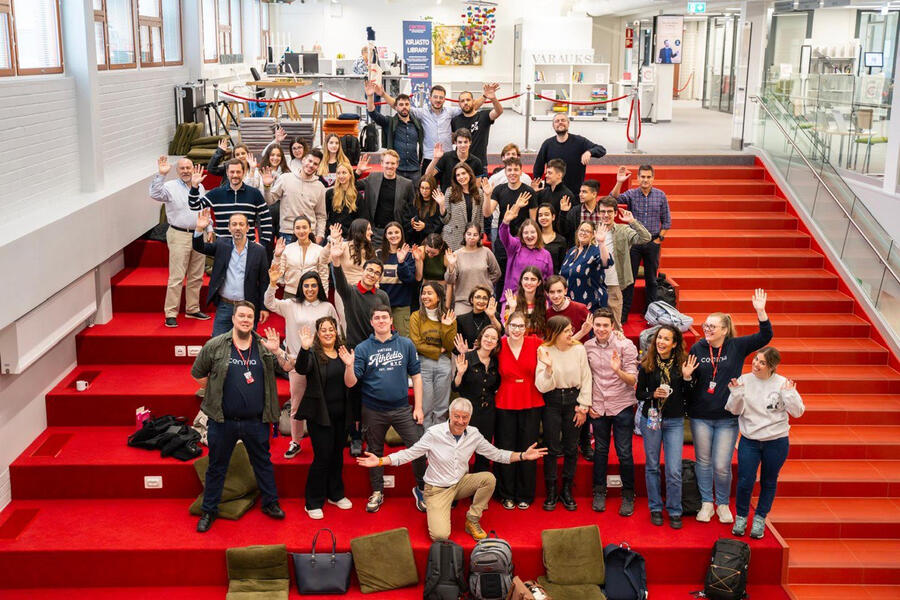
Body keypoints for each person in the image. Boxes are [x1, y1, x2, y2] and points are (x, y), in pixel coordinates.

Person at [357, 397, 547, 540]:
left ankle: (472, 520)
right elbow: (410, 453)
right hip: (437, 489)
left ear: (470, 418)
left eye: (465, 418)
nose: (460, 421)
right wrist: (380, 461)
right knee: (440, 536)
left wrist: (523, 455)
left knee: (488, 479)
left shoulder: (473, 434)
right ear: (450, 415)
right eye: (457, 416)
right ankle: (423, 495)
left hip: (459, 484)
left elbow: (496, 454)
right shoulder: (434, 434)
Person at [191, 303, 293, 532]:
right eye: (242, 316)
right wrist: (215, 391)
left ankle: (270, 503)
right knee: (217, 467)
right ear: (234, 319)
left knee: (263, 463)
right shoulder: (216, 345)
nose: (246, 320)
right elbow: (197, 373)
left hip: (256, 421)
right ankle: (209, 510)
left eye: (250, 316)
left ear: (254, 320)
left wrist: (277, 351)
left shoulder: (264, 346)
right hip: (223, 420)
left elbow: (289, 367)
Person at [689, 289, 773, 524]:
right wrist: (686, 378)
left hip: (727, 418)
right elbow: (691, 380)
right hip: (700, 416)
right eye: (705, 326)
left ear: (725, 330)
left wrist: (760, 311)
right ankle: (707, 503)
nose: (707, 330)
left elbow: (765, 336)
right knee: (703, 462)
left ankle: (723, 503)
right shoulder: (697, 348)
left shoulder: (736, 346)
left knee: (721, 465)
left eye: (712, 327)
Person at [353, 305, 427, 513]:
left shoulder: (405, 344)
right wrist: (349, 366)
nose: (381, 321)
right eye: (377, 318)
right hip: (373, 410)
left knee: (419, 448)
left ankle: (421, 488)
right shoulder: (362, 348)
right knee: (374, 451)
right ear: (371, 322)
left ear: (391, 320)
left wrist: (418, 406)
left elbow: (417, 377)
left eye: (385, 317)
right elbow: (353, 381)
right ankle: (377, 491)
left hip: (402, 408)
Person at [726, 347, 804, 539]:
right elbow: (734, 410)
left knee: (769, 480)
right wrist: (736, 394)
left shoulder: (782, 383)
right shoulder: (744, 380)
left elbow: (798, 411)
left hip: (776, 441)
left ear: (772, 366)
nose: (756, 365)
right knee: (745, 480)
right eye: (755, 360)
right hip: (750, 440)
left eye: (762, 363)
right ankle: (742, 517)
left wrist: (789, 395)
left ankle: (760, 518)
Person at [265, 267, 338, 459]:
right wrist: (273, 283)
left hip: (323, 362)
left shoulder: (327, 307)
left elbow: (336, 332)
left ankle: (325, 440)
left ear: (319, 287)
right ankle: (295, 441)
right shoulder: (291, 304)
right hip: (297, 362)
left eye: (314, 285)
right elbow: (269, 302)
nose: (310, 289)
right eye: (306, 285)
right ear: (301, 287)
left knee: (324, 402)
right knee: (296, 404)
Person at [636, 325, 698, 529]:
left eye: (666, 339)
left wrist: (688, 377)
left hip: (674, 421)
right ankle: (655, 508)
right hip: (652, 419)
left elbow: (690, 396)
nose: (661, 342)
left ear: (674, 343)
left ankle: (674, 510)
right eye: (659, 338)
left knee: (673, 469)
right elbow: (639, 394)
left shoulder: (682, 364)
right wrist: (652, 394)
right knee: (652, 465)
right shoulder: (647, 363)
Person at [295, 317, 358, 519]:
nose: (328, 333)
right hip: (320, 415)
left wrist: (349, 365)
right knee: (322, 457)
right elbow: (301, 369)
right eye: (324, 330)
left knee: (337, 455)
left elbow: (351, 384)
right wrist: (304, 349)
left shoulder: (343, 353)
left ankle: (335, 494)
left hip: (342, 414)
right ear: (318, 334)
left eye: (331, 329)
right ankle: (312, 501)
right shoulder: (312, 353)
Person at [584, 307, 638, 516]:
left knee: (624, 453)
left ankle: (628, 494)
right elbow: (585, 378)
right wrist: (588, 404)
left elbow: (633, 380)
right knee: (600, 452)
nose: (601, 329)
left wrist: (617, 370)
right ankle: (599, 492)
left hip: (622, 405)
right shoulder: (587, 347)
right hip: (598, 406)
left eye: (605, 325)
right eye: (597, 325)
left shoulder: (626, 345)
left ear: (613, 326)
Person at [565, 193, 650, 324]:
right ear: (598, 213)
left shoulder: (624, 230)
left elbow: (646, 238)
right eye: (603, 211)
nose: (606, 215)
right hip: (591, 284)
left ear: (615, 213)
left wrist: (632, 221)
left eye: (609, 211)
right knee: (592, 324)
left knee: (615, 324)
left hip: (613, 283)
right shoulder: (592, 231)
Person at [535, 316, 592, 511]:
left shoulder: (579, 349)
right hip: (551, 401)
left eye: (571, 329)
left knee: (571, 447)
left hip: (573, 401)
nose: (571, 333)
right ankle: (551, 490)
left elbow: (586, 378)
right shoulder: (544, 350)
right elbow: (541, 386)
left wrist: (584, 406)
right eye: (567, 330)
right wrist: (549, 368)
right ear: (556, 333)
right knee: (551, 447)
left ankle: (567, 489)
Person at [150, 156, 210, 328]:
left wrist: (210, 229)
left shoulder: (201, 186)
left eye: (188, 168)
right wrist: (161, 175)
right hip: (179, 234)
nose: (185, 171)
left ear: (193, 168)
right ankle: (170, 313)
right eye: (182, 168)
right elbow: (154, 193)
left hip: (199, 234)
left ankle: (192, 308)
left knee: (197, 275)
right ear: (177, 170)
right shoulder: (169, 187)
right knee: (176, 277)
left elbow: (204, 210)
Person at [494, 311, 544, 510]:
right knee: (506, 448)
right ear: (507, 326)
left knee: (527, 449)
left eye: (520, 326)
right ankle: (506, 494)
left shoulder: (536, 344)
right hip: (505, 402)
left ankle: (525, 494)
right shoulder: (499, 345)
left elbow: (561, 345)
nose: (516, 330)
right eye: (513, 325)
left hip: (531, 401)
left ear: (526, 327)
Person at [193, 210, 269, 336]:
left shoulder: (258, 251)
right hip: (225, 305)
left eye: (241, 224)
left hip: (248, 306)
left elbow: (264, 282)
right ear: (229, 228)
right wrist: (199, 228)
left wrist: (264, 307)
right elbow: (199, 247)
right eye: (234, 224)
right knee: (217, 345)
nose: (237, 228)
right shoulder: (222, 245)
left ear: (248, 227)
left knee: (247, 345)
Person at [375, 82, 485, 170]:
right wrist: (383, 94)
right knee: (427, 188)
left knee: (447, 188)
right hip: (428, 157)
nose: (438, 100)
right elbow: (398, 106)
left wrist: (485, 96)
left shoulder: (450, 111)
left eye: (441, 97)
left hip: (447, 157)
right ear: (430, 97)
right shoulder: (422, 113)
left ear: (444, 99)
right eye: (435, 97)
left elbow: (470, 106)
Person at [611, 165, 671, 322]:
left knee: (651, 280)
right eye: (642, 177)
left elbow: (667, 221)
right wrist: (619, 182)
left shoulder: (660, 196)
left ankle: (651, 314)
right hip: (634, 243)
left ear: (653, 178)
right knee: (629, 280)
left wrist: (659, 240)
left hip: (652, 242)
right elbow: (613, 198)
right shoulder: (631, 194)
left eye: (648, 177)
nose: (645, 180)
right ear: (638, 178)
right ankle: (623, 315)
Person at [453, 326, 502, 473]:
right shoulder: (467, 357)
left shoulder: (495, 362)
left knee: (484, 453)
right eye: (487, 336)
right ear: (480, 338)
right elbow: (455, 387)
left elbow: (496, 386)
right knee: (462, 452)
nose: (489, 340)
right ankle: (458, 489)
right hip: (468, 413)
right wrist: (460, 374)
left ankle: (480, 490)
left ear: (497, 343)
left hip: (488, 412)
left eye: (493, 338)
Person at [188, 160, 273, 245]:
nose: (235, 175)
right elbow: (194, 205)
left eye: (238, 172)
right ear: (227, 173)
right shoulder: (216, 193)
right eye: (232, 172)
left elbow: (266, 218)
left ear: (243, 173)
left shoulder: (254, 193)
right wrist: (195, 186)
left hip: (248, 248)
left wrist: (263, 243)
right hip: (223, 248)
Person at [329, 232, 391, 348]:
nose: (372, 275)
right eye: (370, 270)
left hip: (378, 347)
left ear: (379, 278)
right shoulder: (350, 292)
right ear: (363, 271)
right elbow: (340, 281)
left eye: (377, 273)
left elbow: (388, 323)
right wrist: (336, 260)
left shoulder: (382, 296)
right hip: (355, 348)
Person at [410, 282, 457, 427]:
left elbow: (449, 346)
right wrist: (437, 350)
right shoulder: (416, 316)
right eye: (423, 293)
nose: (425, 296)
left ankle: (439, 442)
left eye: (429, 293)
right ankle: (426, 442)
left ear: (438, 297)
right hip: (423, 364)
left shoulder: (449, 315)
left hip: (444, 363)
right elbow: (416, 344)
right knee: (426, 407)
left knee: (442, 408)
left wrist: (445, 326)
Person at [262, 148, 326, 244]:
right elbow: (270, 201)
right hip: (288, 232)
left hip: (310, 234)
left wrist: (320, 235)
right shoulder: (285, 178)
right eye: (310, 161)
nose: (311, 165)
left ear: (318, 167)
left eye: (315, 164)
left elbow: (321, 215)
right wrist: (267, 186)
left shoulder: (320, 186)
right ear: (303, 160)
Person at [532, 113, 607, 194]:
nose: (560, 122)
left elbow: (601, 150)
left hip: (574, 192)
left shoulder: (580, 141)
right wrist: (538, 188)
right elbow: (538, 167)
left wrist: (589, 152)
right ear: (553, 126)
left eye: (563, 120)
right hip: (552, 192)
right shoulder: (547, 144)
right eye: (557, 121)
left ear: (568, 124)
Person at [366, 80, 424, 181]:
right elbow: (372, 112)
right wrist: (370, 96)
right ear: (396, 107)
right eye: (401, 105)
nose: (404, 107)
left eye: (406, 104)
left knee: (415, 197)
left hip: (415, 170)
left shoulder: (417, 123)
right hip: (396, 169)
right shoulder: (389, 122)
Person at [358, 150, 415, 244]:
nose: (389, 166)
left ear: (397, 164)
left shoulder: (407, 184)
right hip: (375, 232)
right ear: (381, 163)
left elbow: (412, 207)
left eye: (393, 163)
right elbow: (352, 185)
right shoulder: (372, 178)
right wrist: (359, 171)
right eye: (387, 163)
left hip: (396, 233)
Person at [499, 200, 553, 298]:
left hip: (537, 300)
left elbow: (549, 280)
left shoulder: (546, 254)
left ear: (538, 234)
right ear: (521, 235)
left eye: (532, 232)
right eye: (526, 233)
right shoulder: (515, 246)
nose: (529, 236)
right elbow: (504, 236)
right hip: (513, 298)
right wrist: (506, 222)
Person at [444, 223, 501, 315]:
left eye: (475, 235)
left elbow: (496, 273)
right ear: (464, 235)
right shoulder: (457, 255)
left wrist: (486, 283)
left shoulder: (486, 252)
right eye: (469, 234)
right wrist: (451, 266)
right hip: (463, 301)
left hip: (483, 300)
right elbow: (449, 280)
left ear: (479, 237)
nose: (472, 237)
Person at [377, 222, 419, 337]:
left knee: (403, 339)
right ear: (385, 235)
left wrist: (401, 262)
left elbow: (410, 279)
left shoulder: (409, 255)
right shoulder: (378, 254)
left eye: (396, 232)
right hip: (382, 306)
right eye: (390, 233)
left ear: (401, 234)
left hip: (401, 306)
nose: (393, 235)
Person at [560, 221, 612, 311]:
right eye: (581, 230)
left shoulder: (595, 250)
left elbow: (606, 262)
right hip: (570, 303)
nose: (583, 233)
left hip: (591, 304)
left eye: (587, 231)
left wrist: (602, 243)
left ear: (593, 235)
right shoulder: (572, 251)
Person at [273, 216, 330, 299]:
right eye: (298, 228)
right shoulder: (287, 249)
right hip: (290, 294)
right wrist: (277, 256)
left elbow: (323, 276)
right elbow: (277, 274)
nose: (301, 231)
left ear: (310, 229)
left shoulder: (319, 250)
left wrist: (324, 297)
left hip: (312, 294)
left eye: (304, 227)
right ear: (293, 230)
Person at [435, 162, 484, 251]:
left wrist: (480, 236)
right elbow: (445, 220)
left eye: (463, 173)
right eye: (458, 175)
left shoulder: (479, 192)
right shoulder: (450, 191)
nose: (461, 177)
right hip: (453, 238)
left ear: (469, 174)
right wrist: (441, 205)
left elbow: (480, 218)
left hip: (472, 238)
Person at [451, 84, 503, 166]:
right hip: (460, 164)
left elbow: (499, 111)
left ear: (473, 101)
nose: (465, 103)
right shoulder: (455, 120)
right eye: (462, 101)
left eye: (468, 100)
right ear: (459, 104)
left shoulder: (484, 116)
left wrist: (493, 99)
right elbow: (453, 140)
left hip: (480, 163)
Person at [503, 267, 549, 338]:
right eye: (526, 279)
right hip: (518, 342)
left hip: (537, 343)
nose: (529, 283)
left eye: (533, 279)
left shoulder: (543, 302)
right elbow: (507, 331)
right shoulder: (512, 300)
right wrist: (512, 308)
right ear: (521, 281)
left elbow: (545, 330)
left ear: (539, 283)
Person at [455, 285, 503, 351]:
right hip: (469, 358)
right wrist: (470, 351)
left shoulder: (493, 316)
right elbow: (456, 346)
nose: (481, 301)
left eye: (485, 298)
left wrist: (492, 317)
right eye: (478, 297)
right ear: (471, 300)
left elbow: (501, 332)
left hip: (490, 357)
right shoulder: (461, 319)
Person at [545, 276, 591, 342]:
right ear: (547, 294)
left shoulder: (581, 309)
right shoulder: (547, 314)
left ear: (565, 291)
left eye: (559, 291)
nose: (556, 296)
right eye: (552, 292)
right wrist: (582, 332)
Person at [401, 176, 445, 246]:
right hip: (413, 242)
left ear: (432, 188)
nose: (424, 191)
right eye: (422, 188)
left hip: (430, 244)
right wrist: (411, 224)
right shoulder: (414, 202)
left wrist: (425, 227)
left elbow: (439, 226)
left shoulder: (437, 204)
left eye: (427, 188)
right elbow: (405, 221)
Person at [325, 163, 363, 238]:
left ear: (350, 175)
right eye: (338, 173)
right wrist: (331, 228)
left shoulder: (357, 196)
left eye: (344, 173)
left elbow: (361, 218)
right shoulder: (330, 193)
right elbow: (324, 216)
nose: (341, 176)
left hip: (351, 236)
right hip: (333, 235)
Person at [536, 204, 568, 273]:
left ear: (553, 217)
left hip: (554, 280)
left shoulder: (561, 240)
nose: (543, 217)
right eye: (540, 215)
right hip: (535, 279)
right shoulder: (534, 238)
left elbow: (562, 266)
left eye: (546, 214)